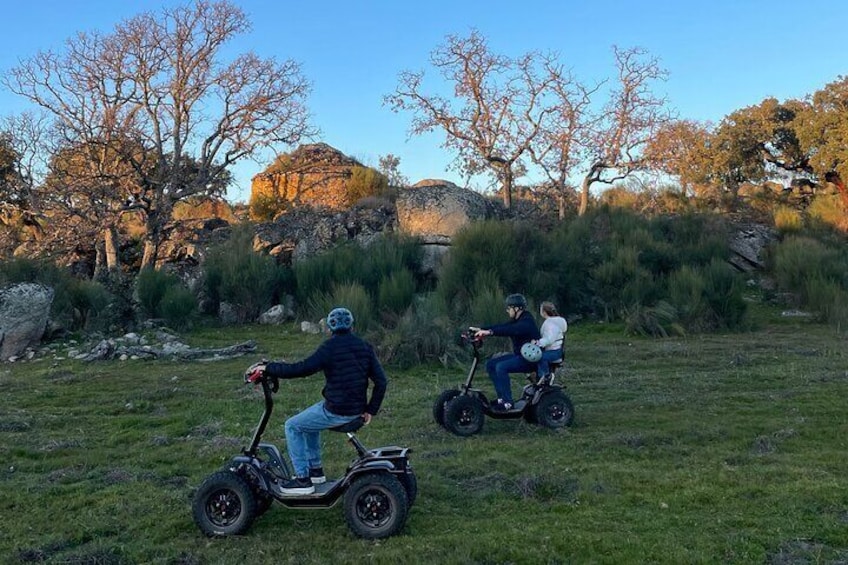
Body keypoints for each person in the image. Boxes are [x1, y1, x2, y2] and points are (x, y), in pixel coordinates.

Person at [246, 307, 387, 495]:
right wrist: (371, 409)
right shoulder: (364, 347)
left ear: (330, 327)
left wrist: (269, 368)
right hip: (357, 409)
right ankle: (316, 472)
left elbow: (301, 369)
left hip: (336, 411)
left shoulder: (329, 348)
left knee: (292, 426)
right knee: (310, 421)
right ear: (352, 326)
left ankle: (303, 481)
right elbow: (381, 381)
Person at [472, 293, 541, 412]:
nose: (507, 311)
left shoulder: (526, 321)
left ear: (517, 308)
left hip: (529, 360)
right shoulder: (517, 319)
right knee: (491, 364)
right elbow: (502, 326)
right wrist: (483, 329)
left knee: (501, 367)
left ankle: (508, 403)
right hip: (520, 356)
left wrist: (489, 332)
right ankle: (501, 399)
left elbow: (511, 330)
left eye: (509, 308)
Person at [534, 301, 567, 379]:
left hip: (554, 351)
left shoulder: (550, 324)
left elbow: (549, 339)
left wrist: (538, 343)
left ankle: (545, 377)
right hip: (557, 351)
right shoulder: (555, 322)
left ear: (544, 312)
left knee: (540, 357)